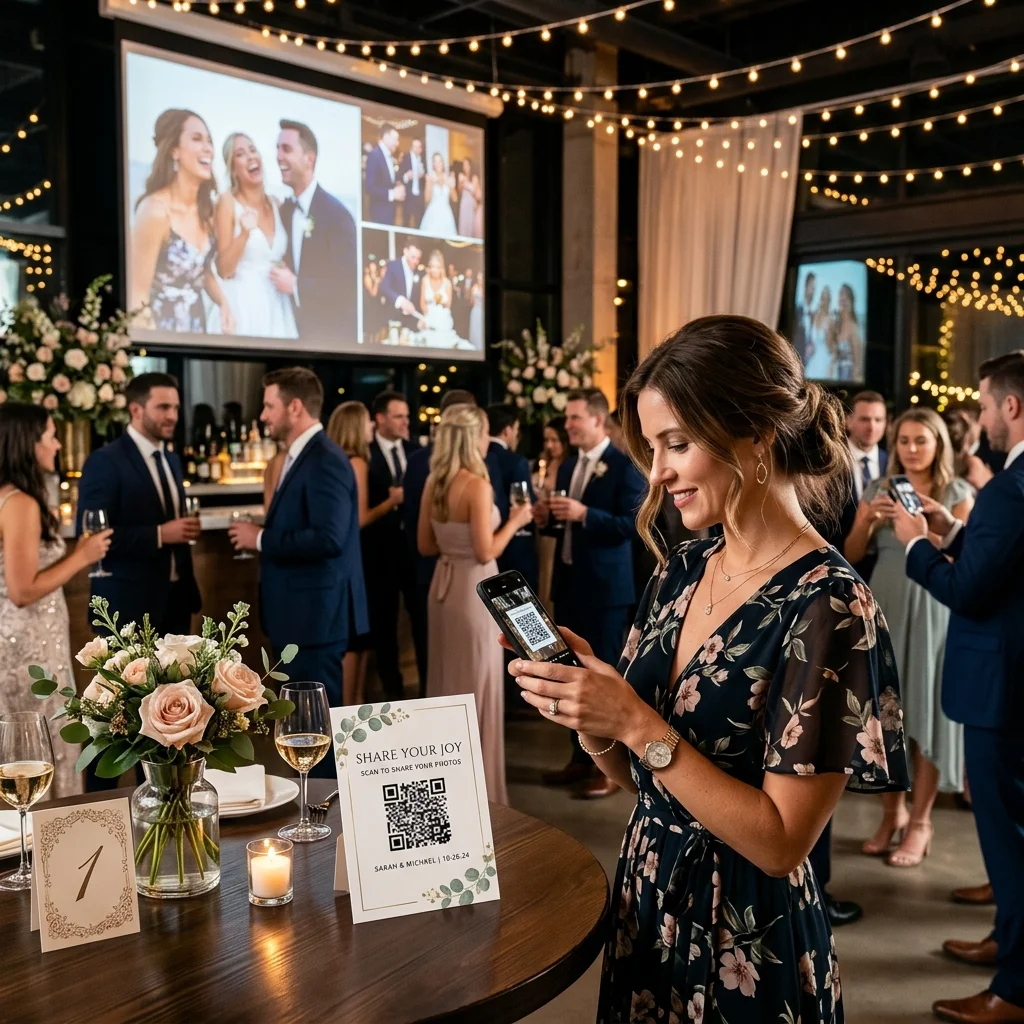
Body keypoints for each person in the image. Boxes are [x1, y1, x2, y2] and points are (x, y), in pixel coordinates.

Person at [509, 314, 909, 1023]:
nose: (657, 473)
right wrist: (594, 715)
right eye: (653, 447)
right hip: (647, 900)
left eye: (676, 444)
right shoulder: (687, 565)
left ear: (753, 437)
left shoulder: (830, 606)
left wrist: (636, 720)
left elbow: (783, 843)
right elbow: (629, 777)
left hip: (747, 940)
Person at [894, 351, 1024, 1024]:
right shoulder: (1011, 490)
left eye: (983, 403)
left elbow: (971, 593)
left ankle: (1016, 989)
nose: (978, 416)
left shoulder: (1010, 486)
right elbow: (1004, 562)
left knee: (1009, 838)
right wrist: (958, 533)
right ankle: (1010, 942)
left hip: (1003, 684)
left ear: (1012, 406)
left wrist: (918, 545)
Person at [845, 409, 973, 867]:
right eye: (903, 441)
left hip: (934, 609)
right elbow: (853, 554)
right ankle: (892, 811)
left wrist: (927, 531)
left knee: (927, 713)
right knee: (887, 714)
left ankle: (921, 821)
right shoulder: (880, 489)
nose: (911, 449)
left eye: (921, 440)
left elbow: (965, 565)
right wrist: (866, 520)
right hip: (887, 603)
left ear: (939, 445)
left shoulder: (958, 494)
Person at [229, 369, 367, 717]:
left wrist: (259, 538)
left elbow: (329, 538)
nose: (262, 416)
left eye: (268, 406)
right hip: (300, 619)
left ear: (294, 407)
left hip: (315, 621)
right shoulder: (299, 456)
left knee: (316, 730)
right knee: (300, 728)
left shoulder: (325, 460)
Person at [418, 404, 533, 805]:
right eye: (483, 433)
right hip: (474, 589)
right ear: (472, 439)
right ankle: (480, 795)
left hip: (443, 590)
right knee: (478, 686)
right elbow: (487, 551)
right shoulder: (477, 486)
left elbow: (424, 545)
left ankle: (445, 786)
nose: (488, 441)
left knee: (446, 685)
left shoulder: (434, 482)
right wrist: (516, 521)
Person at [534, 388, 646, 799]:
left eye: (575, 418)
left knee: (602, 675)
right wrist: (548, 519)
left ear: (598, 420)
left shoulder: (622, 466)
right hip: (570, 583)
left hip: (606, 588)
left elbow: (633, 525)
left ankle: (611, 771)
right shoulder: (566, 468)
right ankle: (579, 759)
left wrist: (585, 514)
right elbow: (563, 528)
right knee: (568, 672)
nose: (568, 425)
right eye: (567, 419)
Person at [0, 404, 111, 798]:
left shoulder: (13, 497)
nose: (58, 443)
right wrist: (81, 556)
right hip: (28, 646)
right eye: (50, 435)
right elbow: (21, 590)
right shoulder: (20, 503)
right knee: (41, 745)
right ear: (28, 443)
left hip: (26, 639)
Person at [77, 373, 202, 636]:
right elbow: (90, 536)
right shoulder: (105, 461)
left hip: (176, 603)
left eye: (176, 408)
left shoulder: (172, 460)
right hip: (128, 608)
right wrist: (160, 534)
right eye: (163, 407)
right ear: (135, 409)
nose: (173, 416)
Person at [402, 389, 480, 696]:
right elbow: (484, 547)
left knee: (441, 665)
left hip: (441, 578)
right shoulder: (474, 480)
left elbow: (422, 539)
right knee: (456, 665)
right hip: (456, 579)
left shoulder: (431, 473)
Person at [130, 108, 235, 335]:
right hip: (160, 331)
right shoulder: (154, 211)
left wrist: (223, 302)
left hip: (197, 329)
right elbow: (137, 292)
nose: (208, 148)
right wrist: (148, 342)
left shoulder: (206, 211)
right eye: (197, 139)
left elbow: (200, 269)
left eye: (209, 141)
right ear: (174, 150)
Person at [326, 401, 402, 707]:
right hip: (365, 556)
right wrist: (392, 500)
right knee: (358, 639)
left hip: (359, 557)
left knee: (360, 637)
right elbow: (359, 518)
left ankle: (352, 706)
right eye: (368, 422)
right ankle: (351, 706)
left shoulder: (338, 460)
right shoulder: (356, 461)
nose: (372, 425)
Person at [273, 119, 358, 345]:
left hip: (328, 341)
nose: (278, 156)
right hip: (287, 333)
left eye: (286, 149)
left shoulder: (338, 216)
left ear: (309, 159)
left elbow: (347, 286)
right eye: (277, 148)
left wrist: (296, 286)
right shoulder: (284, 211)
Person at [365, 390, 422, 700]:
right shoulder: (365, 454)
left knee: (421, 621)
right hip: (378, 554)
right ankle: (393, 693)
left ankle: (428, 689)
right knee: (383, 627)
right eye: (398, 416)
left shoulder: (416, 452)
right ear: (380, 418)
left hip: (414, 551)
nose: (405, 422)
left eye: (407, 416)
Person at [215, 132, 297, 340]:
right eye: (241, 154)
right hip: (245, 307)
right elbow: (224, 270)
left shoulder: (276, 203)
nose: (251, 157)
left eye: (253, 150)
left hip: (278, 307)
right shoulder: (227, 203)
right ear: (233, 168)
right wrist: (244, 234)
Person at [486, 403, 538, 591]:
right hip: (514, 548)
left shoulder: (478, 457)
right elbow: (526, 505)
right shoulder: (516, 461)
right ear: (508, 430)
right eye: (516, 430)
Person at [534, 416, 568, 612]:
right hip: (543, 528)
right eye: (547, 440)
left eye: (554, 440)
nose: (550, 445)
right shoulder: (543, 463)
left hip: (559, 531)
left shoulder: (569, 466)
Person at [380, 240, 425, 334]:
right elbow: (385, 287)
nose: (416, 261)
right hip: (393, 320)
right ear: (405, 251)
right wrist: (401, 301)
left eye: (418, 258)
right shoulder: (393, 265)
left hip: (410, 325)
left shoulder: (418, 272)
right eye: (413, 257)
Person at [364, 124, 404, 225]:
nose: (397, 143)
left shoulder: (390, 157)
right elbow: (369, 187)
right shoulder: (374, 155)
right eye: (395, 139)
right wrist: (392, 194)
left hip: (390, 213)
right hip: (379, 213)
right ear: (386, 137)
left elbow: (388, 181)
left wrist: (398, 185)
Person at [419, 250, 456, 339]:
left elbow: (448, 305)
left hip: (443, 319)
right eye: (432, 266)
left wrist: (439, 302)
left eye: (437, 267)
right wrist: (429, 317)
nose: (434, 270)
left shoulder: (447, 283)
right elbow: (422, 303)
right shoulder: (425, 280)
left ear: (441, 268)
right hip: (428, 318)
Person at [420, 154, 458, 237]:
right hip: (433, 213)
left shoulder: (448, 178)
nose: (437, 164)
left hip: (446, 213)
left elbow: (455, 199)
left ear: (443, 163)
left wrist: (450, 184)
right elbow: (427, 199)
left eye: (439, 161)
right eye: (435, 161)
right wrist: (430, 184)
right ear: (433, 164)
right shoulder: (430, 178)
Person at [803, 285, 835, 380]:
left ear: (829, 301)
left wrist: (828, 336)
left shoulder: (830, 320)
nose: (823, 300)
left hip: (824, 359)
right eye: (822, 297)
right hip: (811, 358)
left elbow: (832, 347)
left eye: (826, 298)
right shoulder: (814, 315)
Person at [833, 283, 863, 382]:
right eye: (841, 295)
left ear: (851, 302)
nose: (843, 298)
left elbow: (858, 364)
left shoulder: (854, 327)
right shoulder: (836, 324)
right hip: (835, 375)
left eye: (846, 297)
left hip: (847, 376)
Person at [399, 137, 426, 229]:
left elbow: (425, 177)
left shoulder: (423, 160)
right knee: (406, 220)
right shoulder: (405, 158)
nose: (417, 149)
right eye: (415, 147)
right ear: (411, 147)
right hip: (408, 195)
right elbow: (399, 176)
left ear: (421, 149)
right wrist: (406, 176)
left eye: (418, 147)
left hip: (419, 196)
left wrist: (423, 175)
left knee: (419, 221)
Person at [793, 271, 816, 367]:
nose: (813, 291)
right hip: (796, 361)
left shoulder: (813, 313)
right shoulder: (797, 310)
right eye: (812, 287)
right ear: (806, 286)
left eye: (815, 288)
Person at [457, 158, 482, 238]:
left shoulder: (474, 177)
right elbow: (459, 190)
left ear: (470, 166)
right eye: (464, 165)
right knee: (463, 223)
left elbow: (476, 192)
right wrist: (461, 183)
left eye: (467, 165)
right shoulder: (461, 176)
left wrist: (467, 183)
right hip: (464, 202)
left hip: (471, 202)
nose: (465, 167)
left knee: (471, 224)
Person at [468, 275, 484, 351]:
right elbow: (471, 301)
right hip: (475, 310)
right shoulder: (474, 287)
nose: (480, 281)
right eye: (478, 279)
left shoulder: (485, 288)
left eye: (481, 279)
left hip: (482, 311)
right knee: (475, 330)